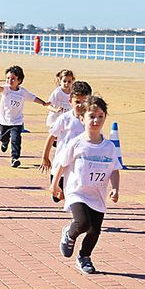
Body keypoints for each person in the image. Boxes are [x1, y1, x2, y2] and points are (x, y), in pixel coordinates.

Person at [51, 95, 120, 275]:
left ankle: (84, 257)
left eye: (100, 116)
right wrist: (54, 186)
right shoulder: (76, 143)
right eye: (91, 116)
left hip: (97, 194)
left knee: (95, 230)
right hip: (77, 192)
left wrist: (115, 188)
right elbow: (62, 164)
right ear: (82, 118)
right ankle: (69, 234)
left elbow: (114, 169)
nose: (95, 120)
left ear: (105, 117)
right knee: (82, 223)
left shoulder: (109, 147)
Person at [0, 65, 47, 168]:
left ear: (19, 80)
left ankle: (15, 158)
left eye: (13, 78)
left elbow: (33, 98)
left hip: (17, 121)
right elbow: (0, 89)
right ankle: (4, 142)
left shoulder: (23, 92)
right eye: (8, 78)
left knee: (16, 139)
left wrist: (43, 103)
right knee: (3, 137)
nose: (10, 80)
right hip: (4, 121)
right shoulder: (6, 89)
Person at [41, 79, 91, 194]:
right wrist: (45, 157)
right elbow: (51, 136)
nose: (81, 105)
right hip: (60, 163)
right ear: (70, 101)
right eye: (77, 101)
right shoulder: (64, 118)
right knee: (57, 195)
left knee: (74, 195)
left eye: (84, 102)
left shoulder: (91, 120)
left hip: (80, 165)